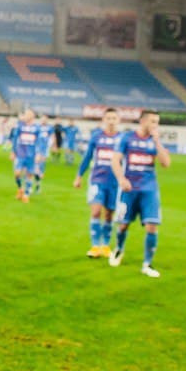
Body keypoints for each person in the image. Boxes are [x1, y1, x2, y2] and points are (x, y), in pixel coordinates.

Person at [108, 109, 171, 278]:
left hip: (149, 190)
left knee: (152, 225)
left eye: (157, 122)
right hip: (129, 189)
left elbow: (166, 163)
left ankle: (147, 264)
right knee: (123, 224)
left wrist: (157, 141)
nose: (155, 125)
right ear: (143, 121)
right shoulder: (127, 138)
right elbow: (115, 160)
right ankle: (118, 249)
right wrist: (121, 179)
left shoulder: (155, 141)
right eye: (153, 121)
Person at [73, 108, 122, 259]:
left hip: (115, 182)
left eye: (114, 118)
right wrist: (79, 176)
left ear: (118, 120)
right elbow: (87, 156)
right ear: (104, 120)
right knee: (95, 211)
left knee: (109, 214)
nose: (111, 121)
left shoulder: (122, 139)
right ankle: (95, 246)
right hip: (97, 180)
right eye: (109, 118)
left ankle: (105, 246)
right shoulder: (97, 137)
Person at [8, 108, 41, 203]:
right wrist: (13, 152)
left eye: (28, 114)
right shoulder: (20, 126)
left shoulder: (37, 128)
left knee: (29, 174)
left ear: (32, 116)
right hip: (20, 153)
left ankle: (26, 194)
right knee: (17, 173)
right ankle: (20, 188)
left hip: (31, 154)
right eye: (25, 114)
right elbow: (15, 139)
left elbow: (39, 142)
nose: (26, 116)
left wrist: (38, 153)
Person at [32, 114, 54, 194]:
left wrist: (52, 146)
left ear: (47, 120)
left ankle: (38, 185)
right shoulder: (37, 127)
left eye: (45, 119)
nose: (43, 120)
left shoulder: (50, 128)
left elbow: (52, 137)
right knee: (36, 166)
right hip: (37, 148)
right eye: (42, 118)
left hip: (45, 149)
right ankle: (32, 185)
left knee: (40, 168)